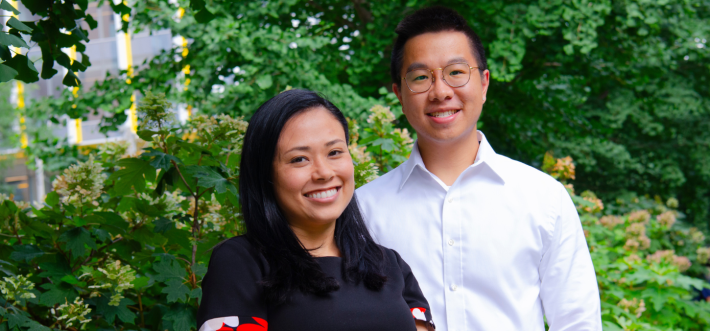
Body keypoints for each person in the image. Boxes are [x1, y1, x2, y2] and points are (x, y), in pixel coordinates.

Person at [356, 6, 602, 331]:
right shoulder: (363, 209)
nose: (441, 91)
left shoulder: (544, 199)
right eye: (420, 77)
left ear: (484, 83)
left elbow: (577, 322)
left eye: (456, 72)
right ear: (399, 95)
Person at [196, 89, 435, 331]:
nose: (324, 173)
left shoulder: (389, 265)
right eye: (299, 159)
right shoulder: (241, 263)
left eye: (334, 152)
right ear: (264, 174)